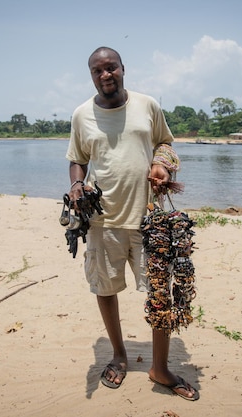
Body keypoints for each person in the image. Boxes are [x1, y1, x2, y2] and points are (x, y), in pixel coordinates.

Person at [65, 46, 199, 401]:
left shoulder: (147, 105)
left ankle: (160, 367)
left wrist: (162, 165)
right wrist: (77, 184)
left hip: (148, 221)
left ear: (123, 69)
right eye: (98, 71)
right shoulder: (82, 115)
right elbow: (77, 160)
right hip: (102, 222)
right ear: (91, 76)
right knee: (105, 289)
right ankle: (119, 355)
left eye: (111, 68)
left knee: (160, 294)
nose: (106, 75)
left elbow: (166, 143)